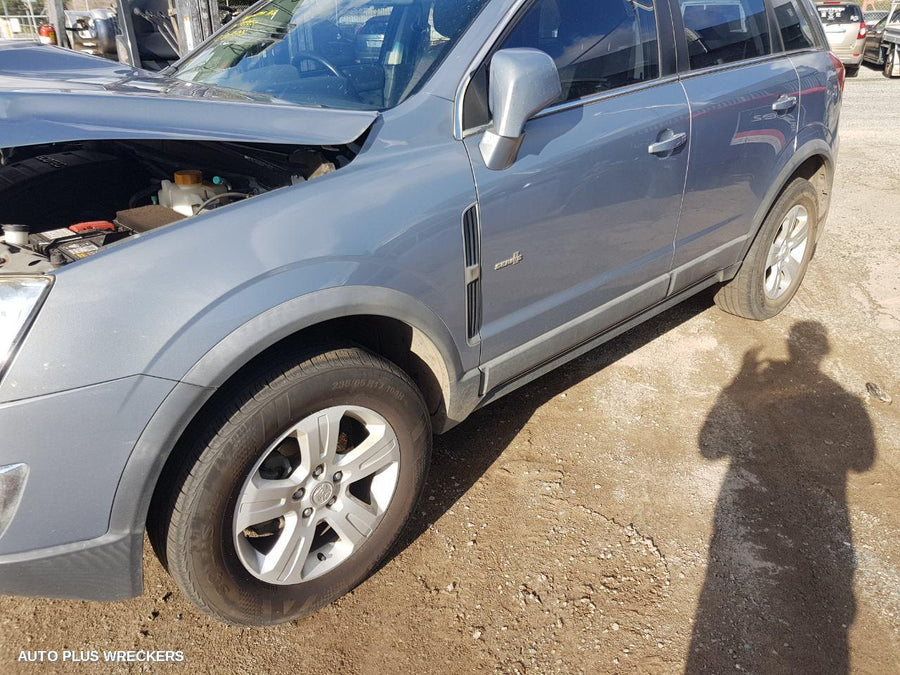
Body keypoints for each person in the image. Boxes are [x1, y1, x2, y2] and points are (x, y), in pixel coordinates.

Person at [687, 321, 875, 674]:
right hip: (816, 525)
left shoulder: (833, 398)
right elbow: (864, 462)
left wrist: (740, 380)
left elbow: (708, 448)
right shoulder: (849, 401)